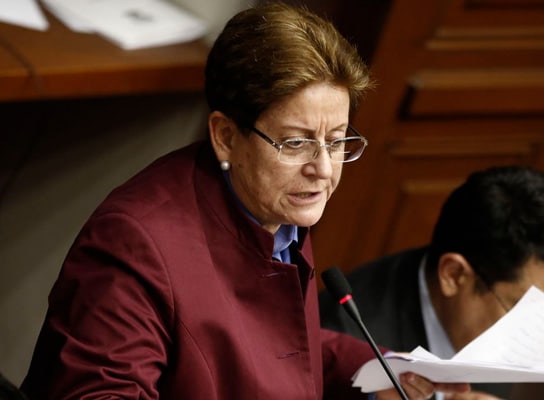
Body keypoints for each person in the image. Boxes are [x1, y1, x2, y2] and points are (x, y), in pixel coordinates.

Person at [19, 2, 470, 400]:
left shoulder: (277, 207)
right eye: (296, 143)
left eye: (336, 141)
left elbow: (276, 345)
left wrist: (383, 369)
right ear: (226, 137)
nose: (323, 169)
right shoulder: (134, 245)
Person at [319, 165, 544, 400]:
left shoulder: (492, 308)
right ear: (454, 275)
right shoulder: (344, 344)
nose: (540, 334)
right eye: (523, 309)